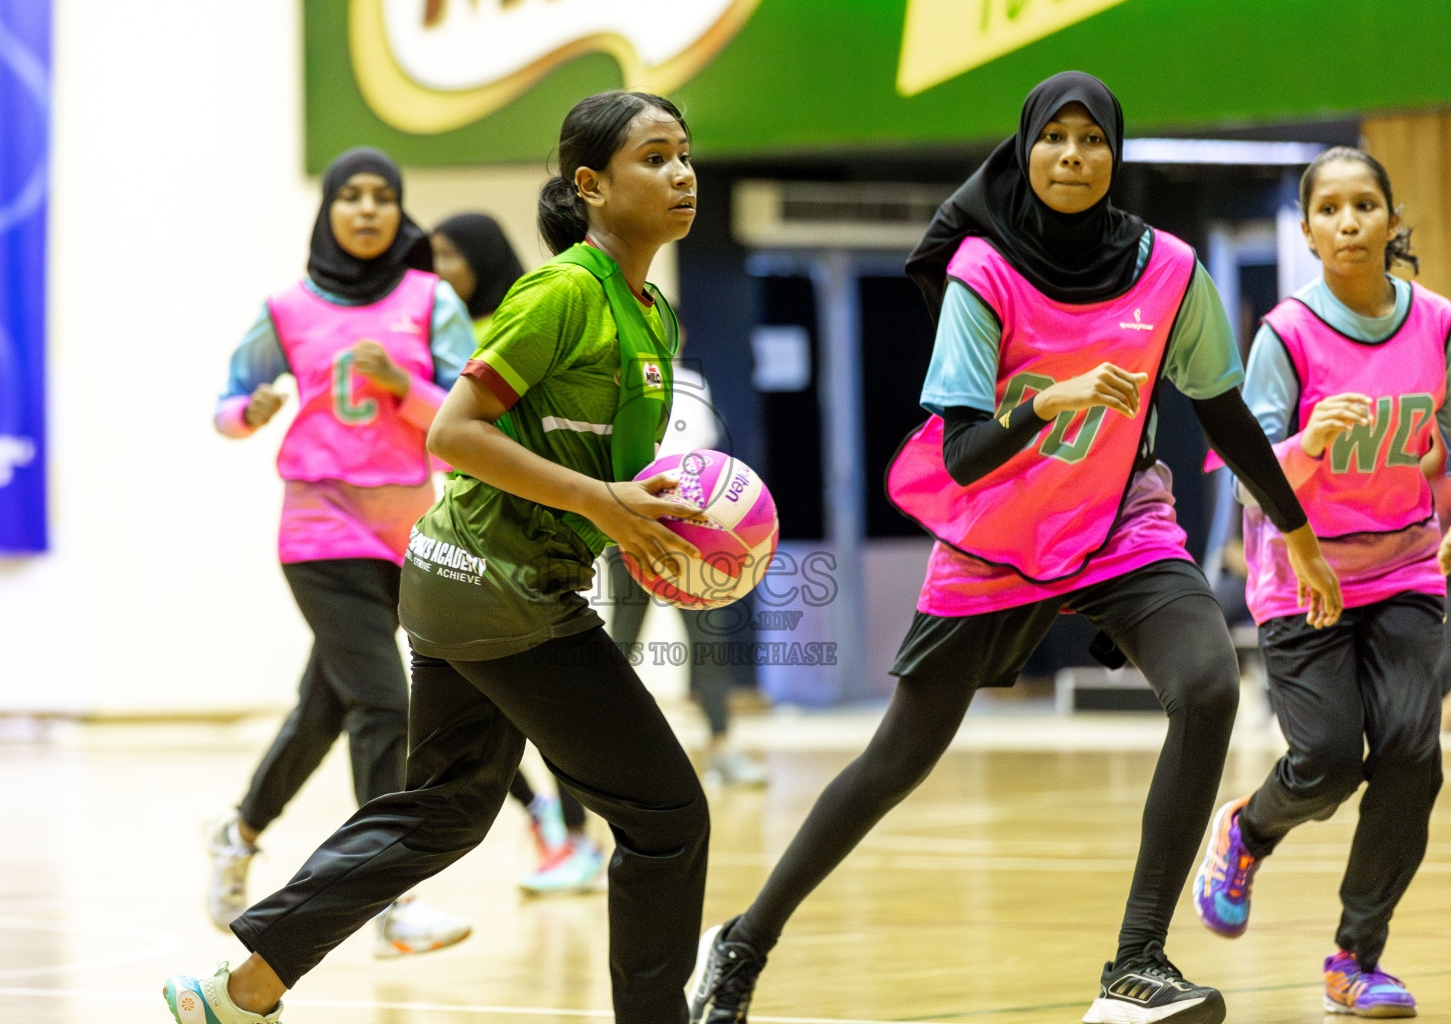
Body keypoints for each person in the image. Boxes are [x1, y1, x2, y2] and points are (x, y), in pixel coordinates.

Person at [688, 71, 1342, 1024]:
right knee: (897, 760)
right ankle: (742, 944)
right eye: (1055, 139)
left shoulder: (1170, 270)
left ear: (1115, 156)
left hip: (1123, 522)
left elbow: (1224, 413)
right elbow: (961, 451)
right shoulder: (983, 273)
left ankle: (1136, 966)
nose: (1073, 157)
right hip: (998, 530)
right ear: (1025, 148)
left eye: (1093, 141)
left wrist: (1298, 532)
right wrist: (1051, 398)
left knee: (1206, 684)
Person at [164, 90, 710, 1024]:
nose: (681, 173)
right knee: (666, 819)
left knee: (448, 808)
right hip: (503, 587)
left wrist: (654, 520)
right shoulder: (563, 292)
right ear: (590, 185)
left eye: (685, 154)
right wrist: (600, 504)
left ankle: (239, 988)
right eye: (653, 157)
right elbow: (455, 433)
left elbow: (596, 466)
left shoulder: (651, 313)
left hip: (461, 584)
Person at [1192, 147, 1449, 1018]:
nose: (1348, 222)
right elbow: (1245, 474)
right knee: (1330, 761)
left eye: (1364, 205)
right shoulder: (1287, 336)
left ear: (1389, 218)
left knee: (1415, 756)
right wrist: (1307, 446)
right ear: (1306, 230)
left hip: (1407, 565)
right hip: (1304, 576)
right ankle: (1249, 829)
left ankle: (1355, 958)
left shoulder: (1438, 323)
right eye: (1330, 209)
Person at [203, 147, 476, 960]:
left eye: (383, 197)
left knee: (327, 704)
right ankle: (394, 902)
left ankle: (238, 831)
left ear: (400, 212)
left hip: (409, 534)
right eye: (350, 196)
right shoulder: (286, 308)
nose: (367, 210)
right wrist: (248, 412)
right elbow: (224, 405)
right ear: (327, 210)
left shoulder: (431, 302)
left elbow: (471, 424)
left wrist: (403, 384)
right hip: (319, 530)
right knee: (386, 705)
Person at [430, 211, 604, 894]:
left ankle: (576, 838)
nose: (437, 270)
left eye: (448, 255)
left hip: (531, 541)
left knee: (551, 709)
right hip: (462, 540)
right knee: (482, 715)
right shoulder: (444, 328)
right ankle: (549, 826)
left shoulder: (528, 312)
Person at [601, 350, 768, 786]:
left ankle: (721, 750)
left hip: (693, 533)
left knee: (709, 643)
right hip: (630, 526)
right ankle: (600, 751)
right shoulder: (618, 383)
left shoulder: (692, 384)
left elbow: (706, 461)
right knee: (619, 641)